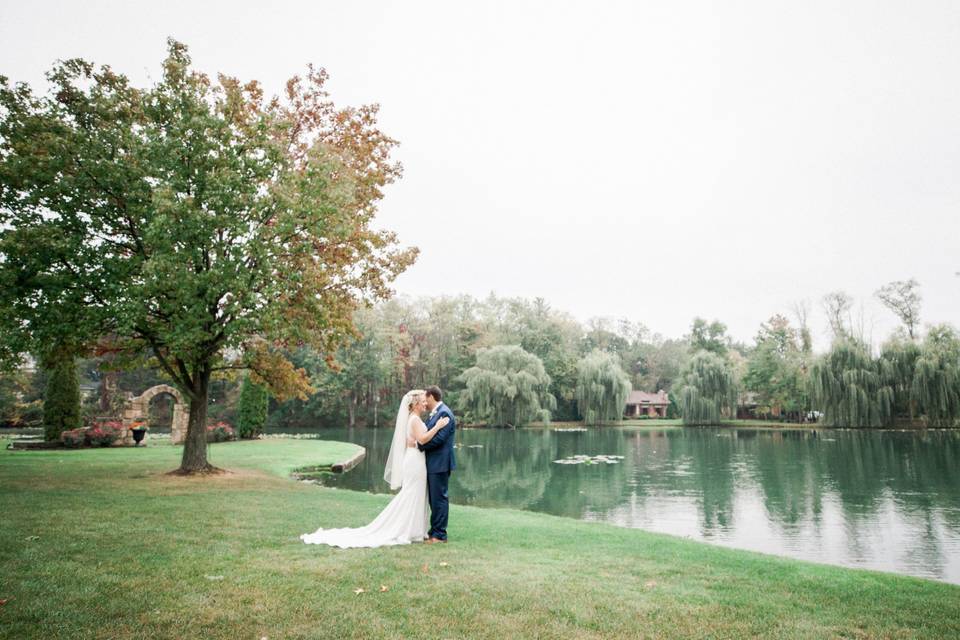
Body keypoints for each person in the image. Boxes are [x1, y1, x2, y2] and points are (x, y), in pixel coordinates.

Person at [299, 389, 449, 548]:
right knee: (412, 493)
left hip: (415, 459)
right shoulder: (415, 420)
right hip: (415, 462)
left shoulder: (414, 419)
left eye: (426, 401)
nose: (425, 403)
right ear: (415, 404)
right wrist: (438, 426)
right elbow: (423, 439)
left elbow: (412, 440)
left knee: (416, 493)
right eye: (423, 401)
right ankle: (408, 530)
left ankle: (416, 530)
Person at [416, 385, 456, 543]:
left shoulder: (444, 412)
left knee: (439, 498)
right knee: (434, 499)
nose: (424, 402)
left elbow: (439, 439)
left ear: (431, 396)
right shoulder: (436, 413)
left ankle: (440, 535)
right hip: (434, 463)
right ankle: (434, 531)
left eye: (426, 398)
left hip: (440, 463)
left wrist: (420, 445)